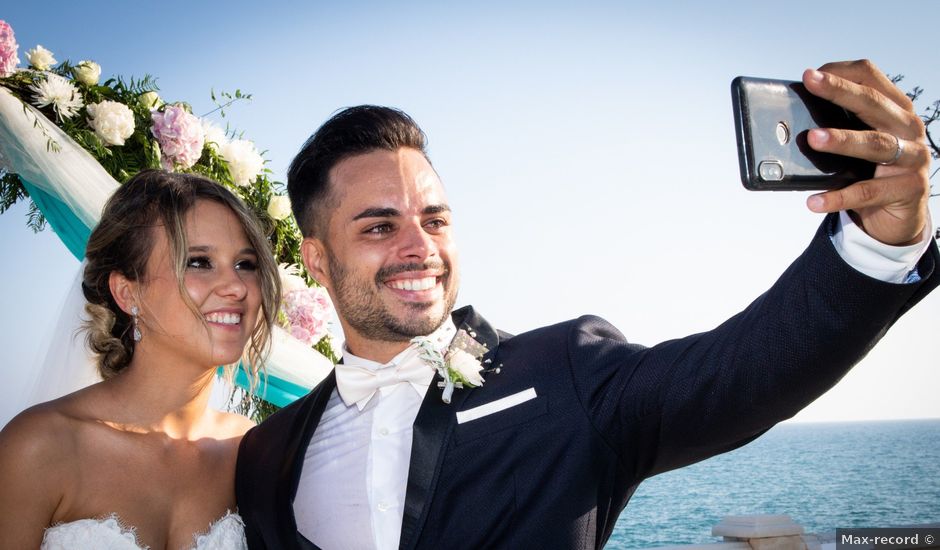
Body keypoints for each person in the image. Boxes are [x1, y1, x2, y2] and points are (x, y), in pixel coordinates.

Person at [236, 60, 938, 550]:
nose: (420, 246)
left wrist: (878, 243)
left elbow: (741, 373)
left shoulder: (565, 371)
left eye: (436, 218)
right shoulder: (265, 455)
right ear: (318, 257)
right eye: (380, 225)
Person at [0, 170, 280, 549]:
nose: (235, 286)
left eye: (246, 264)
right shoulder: (40, 446)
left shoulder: (254, 453)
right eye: (198, 262)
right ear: (128, 293)